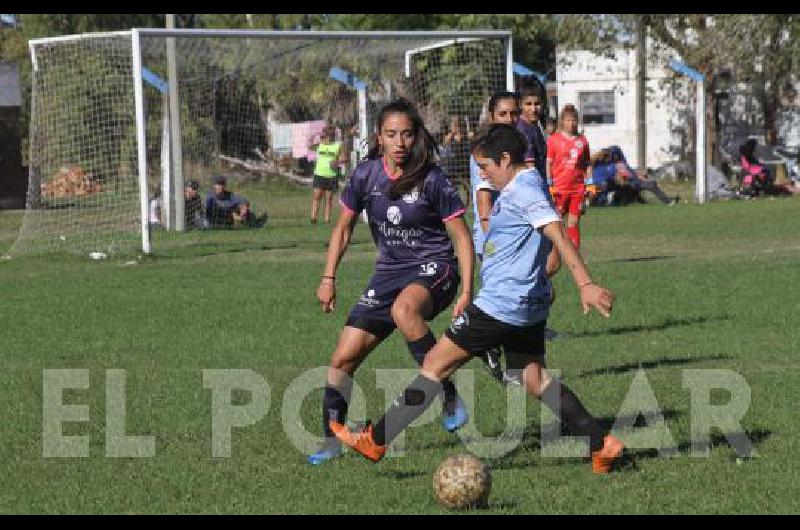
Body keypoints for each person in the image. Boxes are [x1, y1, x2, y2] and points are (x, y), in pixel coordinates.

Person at [330, 124, 625, 474]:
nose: (483, 176)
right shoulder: (525, 184)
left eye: (485, 168)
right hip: (526, 304)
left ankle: (376, 439)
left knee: (433, 367)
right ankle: (601, 442)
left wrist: (585, 282)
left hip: (499, 306)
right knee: (535, 378)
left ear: (505, 159)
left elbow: (557, 233)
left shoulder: (524, 190)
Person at [310, 98, 475, 465]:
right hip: (389, 273)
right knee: (342, 358)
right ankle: (331, 438)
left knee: (405, 310)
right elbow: (343, 229)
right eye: (391, 134)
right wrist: (328, 277)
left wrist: (466, 291)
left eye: (406, 134)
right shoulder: (366, 175)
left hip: (436, 268)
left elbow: (462, 238)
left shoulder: (432, 178)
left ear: (416, 136)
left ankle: (446, 392)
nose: (400, 142)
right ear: (379, 137)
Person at [546, 104, 590, 252]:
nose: (572, 123)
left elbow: (587, 164)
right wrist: (549, 184)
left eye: (574, 120)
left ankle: (574, 255)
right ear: (562, 121)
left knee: (573, 222)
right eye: (568, 120)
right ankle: (553, 254)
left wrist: (589, 183)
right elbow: (549, 163)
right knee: (556, 224)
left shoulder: (582, 141)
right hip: (559, 189)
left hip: (577, 189)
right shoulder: (553, 140)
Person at [309, 124, 345, 224]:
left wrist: (337, 162)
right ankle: (313, 218)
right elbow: (309, 146)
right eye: (326, 134)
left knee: (328, 199)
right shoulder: (320, 144)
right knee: (317, 196)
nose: (327, 136)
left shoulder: (338, 145)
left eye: (330, 134)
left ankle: (327, 219)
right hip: (319, 174)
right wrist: (314, 135)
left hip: (331, 175)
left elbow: (345, 158)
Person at [516, 82, 547, 177]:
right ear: (520, 104)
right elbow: (530, 170)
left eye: (537, 104)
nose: (533, 109)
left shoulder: (535, 125)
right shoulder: (523, 130)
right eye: (528, 104)